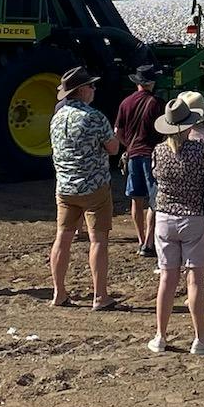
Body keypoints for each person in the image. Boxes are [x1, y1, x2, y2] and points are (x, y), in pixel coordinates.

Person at [148, 90, 204, 355]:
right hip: (194, 217)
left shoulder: (158, 151)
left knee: (167, 280)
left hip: (164, 218)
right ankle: (201, 339)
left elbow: (156, 177)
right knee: (195, 281)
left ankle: (160, 336)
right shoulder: (200, 150)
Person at [48, 65, 119, 310]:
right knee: (98, 241)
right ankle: (100, 296)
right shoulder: (94, 117)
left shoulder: (56, 117)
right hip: (94, 187)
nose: (94, 90)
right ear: (82, 90)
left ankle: (59, 292)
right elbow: (113, 148)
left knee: (63, 238)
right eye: (91, 86)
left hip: (65, 187)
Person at [114, 64, 164, 258]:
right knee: (154, 200)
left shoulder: (125, 103)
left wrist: (129, 146)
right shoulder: (157, 103)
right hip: (151, 155)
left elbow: (117, 132)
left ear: (137, 82)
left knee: (136, 199)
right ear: (152, 83)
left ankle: (141, 239)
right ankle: (149, 242)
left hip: (133, 155)